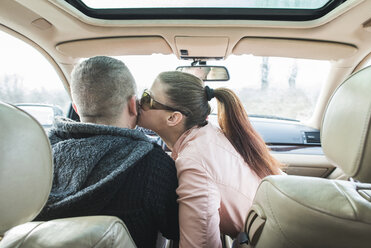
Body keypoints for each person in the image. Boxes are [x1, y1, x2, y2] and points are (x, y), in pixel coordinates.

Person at [35, 56, 179, 248]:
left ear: (76, 108)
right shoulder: (153, 165)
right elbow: (176, 230)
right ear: (132, 105)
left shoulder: (39, 157)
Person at [137, 71, 282, 248]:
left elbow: (200, 246)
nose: (139, 103)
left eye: (147, 99)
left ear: (173, 118)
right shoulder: (209, 134)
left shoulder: (194, 161)